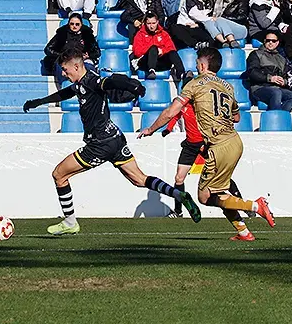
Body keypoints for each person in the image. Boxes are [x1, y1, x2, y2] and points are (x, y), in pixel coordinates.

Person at [23, 48, 201, 235]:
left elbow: (112, 81)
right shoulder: (81, 83)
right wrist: (39, 101)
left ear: (76, 66)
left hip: (99, 144)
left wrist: (133, 85)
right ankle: (178, 194)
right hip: (115, 138)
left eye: (66, 70)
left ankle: (69, 222)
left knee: (59, 175)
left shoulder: (92, 80)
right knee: (139, 179)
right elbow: (66, 93)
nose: (65, 74)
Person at [138, 47, 276, 241]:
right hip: (235, 142)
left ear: (202, 65)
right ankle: (243, 232)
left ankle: (255, 205)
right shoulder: (227, 86)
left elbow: (171, 112)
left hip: (219, 146)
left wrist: (150, 129)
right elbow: (236, 117)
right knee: (219, 192)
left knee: (204, 197)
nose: (195, 66)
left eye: (196, 63)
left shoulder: (194, 84)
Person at [245, 32, 292, 111]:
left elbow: (287, 75)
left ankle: (279, 116)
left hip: (276, 88)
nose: (270, 43)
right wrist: (270, 78)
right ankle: (275, 119)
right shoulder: (256, 54)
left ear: (277, 43)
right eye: (268, 40)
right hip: (259, 88)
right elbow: (252, 72)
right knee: (276, 93)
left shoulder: (281, 58)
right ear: (264, 41)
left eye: (273, 41)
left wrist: (284, 82)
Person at [44, 13, 100, 81]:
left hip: (82, 60)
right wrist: (62, 55)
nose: (74, 26)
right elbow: (48, 49)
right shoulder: (62, 34)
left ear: (81, 25)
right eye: (72, 24)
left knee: (88, 69)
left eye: (77, 24)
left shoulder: (87, 35)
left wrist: (89, 55)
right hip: (65, 60)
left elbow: (97, 52)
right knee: (62, 69)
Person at [133, 13, 186, 81]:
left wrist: (162, 51)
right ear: (145, 23)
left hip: (161, 62)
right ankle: (151, 71)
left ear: (157, 22)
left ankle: (181, 73)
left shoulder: (163, 33)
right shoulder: (140, 34)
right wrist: (152, 50)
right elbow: (137, 52)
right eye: (149, 23)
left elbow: (171, 47)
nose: (151, 26)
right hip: (145, 63)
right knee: (153, 48)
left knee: (172, 52)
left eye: (153, 23)